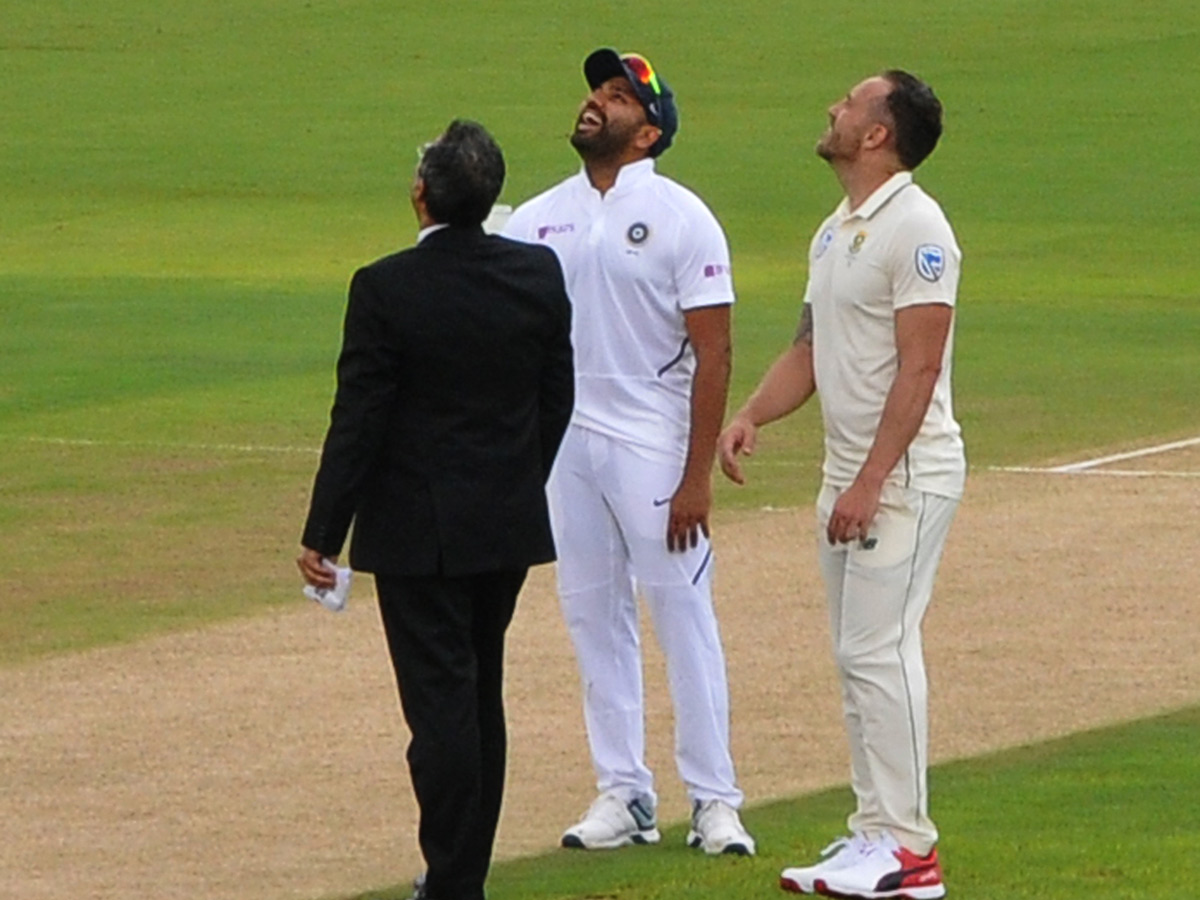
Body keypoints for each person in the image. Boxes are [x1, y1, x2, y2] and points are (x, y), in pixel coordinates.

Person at [297, 119, 574, 900]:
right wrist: (521, 480)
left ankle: (453, 882)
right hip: (507, 525)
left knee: (442, 711)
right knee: (479, 694)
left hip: (419, 535)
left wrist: (324, 533)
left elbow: (359, 419)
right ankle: (463, 875)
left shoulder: (385, 288)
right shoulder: (537, 273)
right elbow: (557, 396)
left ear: (421, 195)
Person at [718, 71, 963, 899]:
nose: (833, 106)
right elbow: (810, 348)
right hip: (849, 478)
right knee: (856, 659)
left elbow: (922, 366)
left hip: (903, 478)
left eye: (853, 103)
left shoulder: (919, 229)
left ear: (877, 136)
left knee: (879, 653)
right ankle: (872, 834)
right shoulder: (835, 231)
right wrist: (752, 412)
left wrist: (871, 480)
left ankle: (910, 852)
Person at [503, 49, 754, 856]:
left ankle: (715, 800)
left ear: (647, 133)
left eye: (616, 98)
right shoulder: (536, 217)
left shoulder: (683, 216)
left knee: (682, 615)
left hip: (653, 441)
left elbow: (713, 354)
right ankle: (625, 792)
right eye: (595, 90)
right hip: (566, 447)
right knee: (591, 615)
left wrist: (695, 476)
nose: (594, 103)